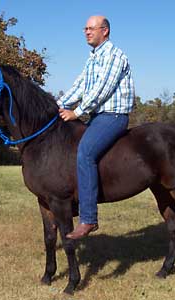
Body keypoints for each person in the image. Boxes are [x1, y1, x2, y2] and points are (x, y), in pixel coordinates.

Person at [57, 15, 135, 239]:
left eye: (91, 28)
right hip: (98, 116)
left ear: (105, 31)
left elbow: (102, 89)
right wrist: (57, 106)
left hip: (113, 116)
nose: (87, 32)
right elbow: (80, 86)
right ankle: (73, 204)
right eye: (85, 28)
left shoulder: (115, 56)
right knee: (71, 151)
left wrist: (77, 112)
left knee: (85, 153)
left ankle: (88, 219)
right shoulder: (92, 58)